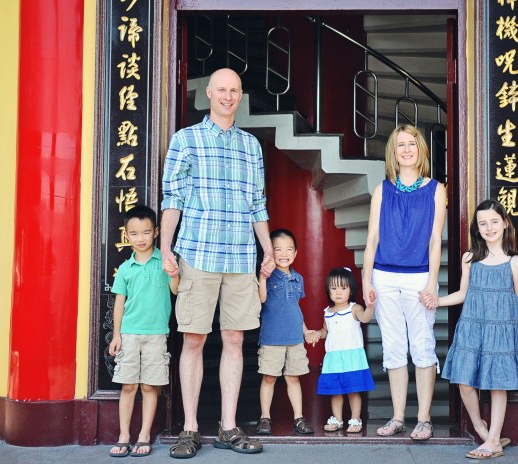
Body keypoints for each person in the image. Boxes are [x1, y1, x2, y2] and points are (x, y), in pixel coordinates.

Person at [160, 68, 275, 458]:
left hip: (241, 256)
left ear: (241, 96)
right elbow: (172, 198)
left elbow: (257, 203)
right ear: (209, 93)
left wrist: (267, 249)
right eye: (222, 89)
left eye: (234, 90)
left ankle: (228, 426)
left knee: (235, 339)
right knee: (193, 338)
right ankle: (190, 428)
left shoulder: (251, 145)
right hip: (198, 252)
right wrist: (166, 247)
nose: (228, 96)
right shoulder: (186, 139)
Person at [361, 124, 447, 440]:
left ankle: (424, 419)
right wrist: (366, 279)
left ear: (421, 149)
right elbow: (372, 238)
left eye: (412, 144)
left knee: (422, 345)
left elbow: (435, 239)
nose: (407, 150)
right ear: (393, 153)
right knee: (394, 346)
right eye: (401, 145)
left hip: (419, 276)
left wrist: (432, 281)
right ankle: (398, 417)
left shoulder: (436, 189)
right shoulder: (382, 190)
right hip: (384, 276)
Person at [439, 199, 518, 460]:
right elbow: (463, 293)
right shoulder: (470, 258)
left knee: (497, 384)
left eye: (494, 221)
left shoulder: (515, 262)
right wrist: (436, 301)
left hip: (501, 328)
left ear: (505, 223)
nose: (489, 227)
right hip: (472, 326)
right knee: (464, 382)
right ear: (477, 228)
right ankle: (482, 430)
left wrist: (494, 307)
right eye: (483, 223)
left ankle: (494, 441)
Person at [108, 205, 180, 458]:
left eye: (146, 232)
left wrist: (174, 273)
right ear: (126, 235)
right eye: (134, 233)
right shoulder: (125, 268)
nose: (141, 238)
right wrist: (116, 335)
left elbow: (175, 290)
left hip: (157, 334)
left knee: (150, 386)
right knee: (128, 386)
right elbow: (119, 303)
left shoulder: (165, 261)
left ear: (156, 232)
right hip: (129, 334)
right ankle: (123, 436)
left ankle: (144, 436)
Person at [254, 229, 316, 436]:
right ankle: (265, 418)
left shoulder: (298, 279)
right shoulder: (269, 276)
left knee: (293, 378)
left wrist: (305, 331)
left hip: (295, 338)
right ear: (270, 252)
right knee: (269, 378)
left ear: (295, 253)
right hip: (272, 338)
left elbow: (294, 308)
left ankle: (299, 418)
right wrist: (263, 277)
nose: (284, 253)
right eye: (277, 249)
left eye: (289, 249)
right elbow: (261, 299)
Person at [313, 267, 375, 434]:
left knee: (353, 390)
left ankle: (356, 418)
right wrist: (317, 334)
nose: (338, 292)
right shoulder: (327, 312)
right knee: (335, 391)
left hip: (352, 357)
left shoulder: (355, 308)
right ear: (328, 290)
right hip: (333, 358)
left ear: (351, 290)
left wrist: (370, 306)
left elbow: (365, 318)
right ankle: (338, 418)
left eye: (343, 288)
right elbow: (325, 331)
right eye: (334, 288)